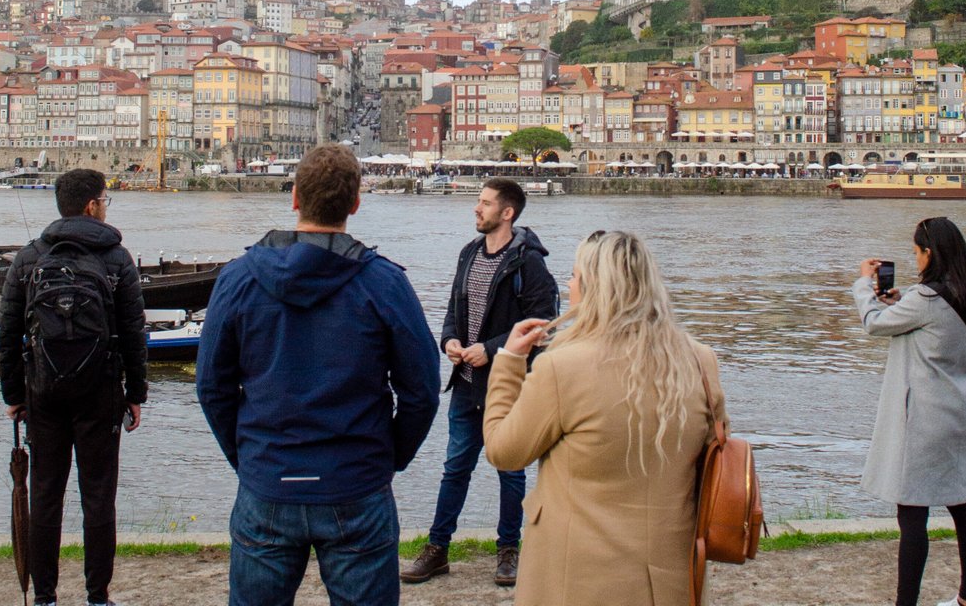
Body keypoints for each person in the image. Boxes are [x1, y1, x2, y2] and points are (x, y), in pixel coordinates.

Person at [196, 143, 440, 606]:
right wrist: (388, 457)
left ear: (293, 198)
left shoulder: (238, 279)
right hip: (355, 479)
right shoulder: (383, 283)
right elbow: (421, 392)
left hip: (269, 475)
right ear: (355, 204)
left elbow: (212, 387)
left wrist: (247, 456)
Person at [481, 230, 726, 605]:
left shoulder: (563, 367)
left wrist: (509, 363)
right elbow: (712, 456)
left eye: (576, 276)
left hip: (576, 580)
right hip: (670, 576)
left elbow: (504, 451)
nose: (569, 283)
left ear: (595, 288)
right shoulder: (699, 360)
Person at [0, 168, 148, 606]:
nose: (106, 206)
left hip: (43, 393)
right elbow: (134, 333)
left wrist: (15, 396)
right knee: (98, 495)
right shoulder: (117, 259)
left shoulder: (28, 258)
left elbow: (7, 333)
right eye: (106, 199)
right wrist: (136, 393)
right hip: (100, 392)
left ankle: (45, 597)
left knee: (46, 493)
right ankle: (97, 596)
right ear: (91, 206)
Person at [401, 177, 557, 588]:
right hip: (467, 381)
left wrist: (491, 349)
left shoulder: (529, 263)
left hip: (509, 386)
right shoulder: (469, 253)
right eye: (478, 201)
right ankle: (437, 550)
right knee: (455, 467)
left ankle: (509, 550)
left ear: (507, 213)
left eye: (485, 203)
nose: (477, 208)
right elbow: (455, 307)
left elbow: (541, 324)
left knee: (511, 470)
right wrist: (449, 340)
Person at [854, 216, 966, 606]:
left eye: (916, 253)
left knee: (912, 515)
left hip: (923, 422)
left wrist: (865, 284)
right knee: (964, 507)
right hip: (960, 415)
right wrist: (902, 302)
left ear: (930, 253)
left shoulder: (925, 300)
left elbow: (873, 325)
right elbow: (936, 330)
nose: (915, 261)